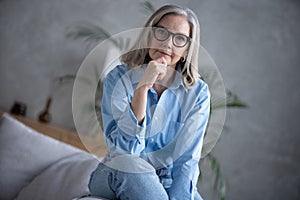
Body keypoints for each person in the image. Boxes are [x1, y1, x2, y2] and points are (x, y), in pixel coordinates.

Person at [88, 4, 210, 200]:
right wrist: (143, 87)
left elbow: (187, 160)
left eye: (179, 38)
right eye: (161, 32)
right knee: (131, 165)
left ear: (187, 49)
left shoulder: (198, 93)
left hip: (166, 180)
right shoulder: (118, 79)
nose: (168, 44)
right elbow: (123, 152)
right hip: (116, 171)